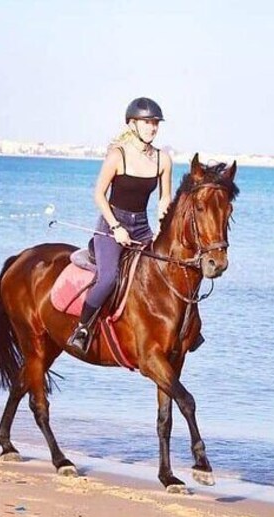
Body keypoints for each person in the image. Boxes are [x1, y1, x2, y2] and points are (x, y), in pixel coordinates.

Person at [67, 97, 172, 354]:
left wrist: (162, 224)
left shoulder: (163, 159)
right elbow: (99, 195)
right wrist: (116, 227)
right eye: (147, 122)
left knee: (168, 269)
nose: (153, 127)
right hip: (111, 225)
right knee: (109, 278)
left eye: (155, 123)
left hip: (142, 227)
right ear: (133, 124)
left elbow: (164, 198)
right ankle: (82, 328)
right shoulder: (118, 155)